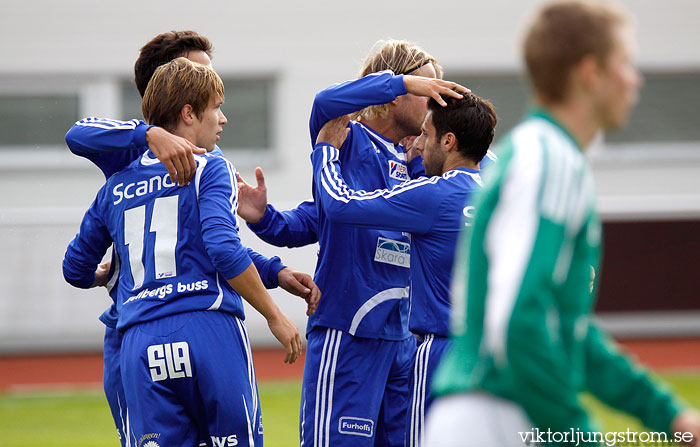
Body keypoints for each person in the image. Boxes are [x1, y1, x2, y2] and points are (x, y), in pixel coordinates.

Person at [425, 2, 700, 446]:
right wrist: (580, 435)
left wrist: (669, 416)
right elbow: (519, 322)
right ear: (590, 73)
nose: (636, 78)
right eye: (625, 63)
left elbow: (563, 327)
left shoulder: (542, 155)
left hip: (488, 414)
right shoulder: (550, 161)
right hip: (498, 418)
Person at [64, 30, 319, 446]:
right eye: (212, 97)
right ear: (183, 103)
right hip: (204, 324)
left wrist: (275, 269)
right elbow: (220, 248)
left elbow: (77, 268)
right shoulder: (200, 163)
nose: (222, 116)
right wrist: (273, 314)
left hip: (140, 333)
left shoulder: (117, 183)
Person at [237, 40, 468, 446]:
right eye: (428, 92)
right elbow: (325, 101)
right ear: (396, 95)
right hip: (349, 327)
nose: (437, 106)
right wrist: (265, 219)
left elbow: (322, 218)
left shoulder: (415, 159)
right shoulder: (345, 135)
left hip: (401, 338)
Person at [311, 92, 497, 447]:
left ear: (449, 141)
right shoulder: (498, 196)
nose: (418, 144)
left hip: (440, 352)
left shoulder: (435, 195)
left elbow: (339, 205)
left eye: (426, 135)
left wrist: (326, 152)